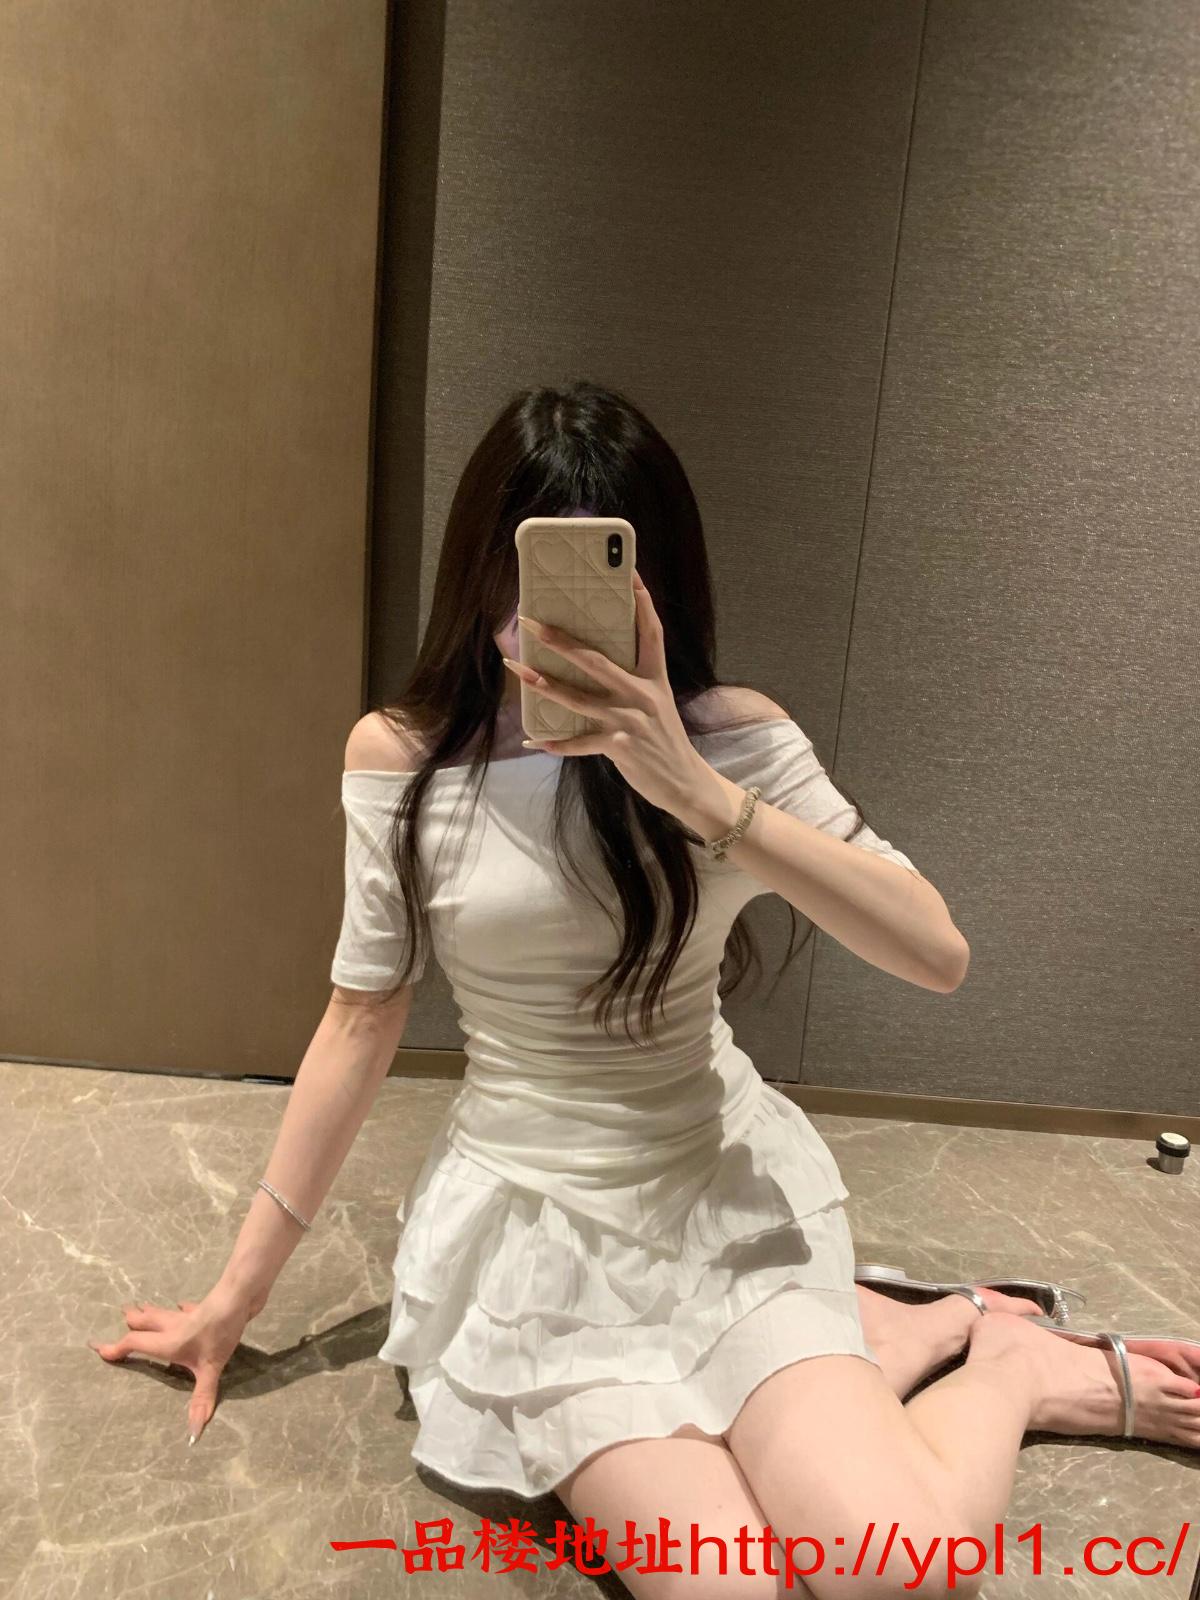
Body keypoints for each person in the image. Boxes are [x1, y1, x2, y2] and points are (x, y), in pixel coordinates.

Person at [91, 383, 1199, 1597]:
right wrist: (234, 1295)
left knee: (903, 1572)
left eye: (606, 574)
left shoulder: (732, 740)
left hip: (718, 1197)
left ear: (657, 582)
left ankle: (1010, 1366)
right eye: (530, 570)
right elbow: (361, 1017)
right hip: (543, 1240)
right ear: (480, 567)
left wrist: (698, 790)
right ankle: (907, 1329)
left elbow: (938, 953)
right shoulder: (401, 760)